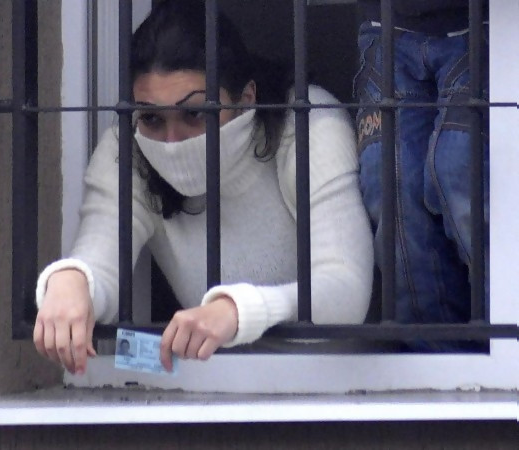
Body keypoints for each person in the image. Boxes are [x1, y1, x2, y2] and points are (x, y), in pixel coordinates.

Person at [33, 0, 373, 375]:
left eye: (195, 113)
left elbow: (346, 288)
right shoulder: (128, 149)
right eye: (152, 118)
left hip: (338, 387)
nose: (172, 141)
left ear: (246, 98)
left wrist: (236, 310)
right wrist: (72, 281)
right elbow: (100, 258)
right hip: (212, 387)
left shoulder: (306, 123)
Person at [354, 1, 489, 350]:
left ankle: (506, 344)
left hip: (486, 22)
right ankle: (436, 358)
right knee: (391, 182)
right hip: (387, 25)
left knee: (461, 169)